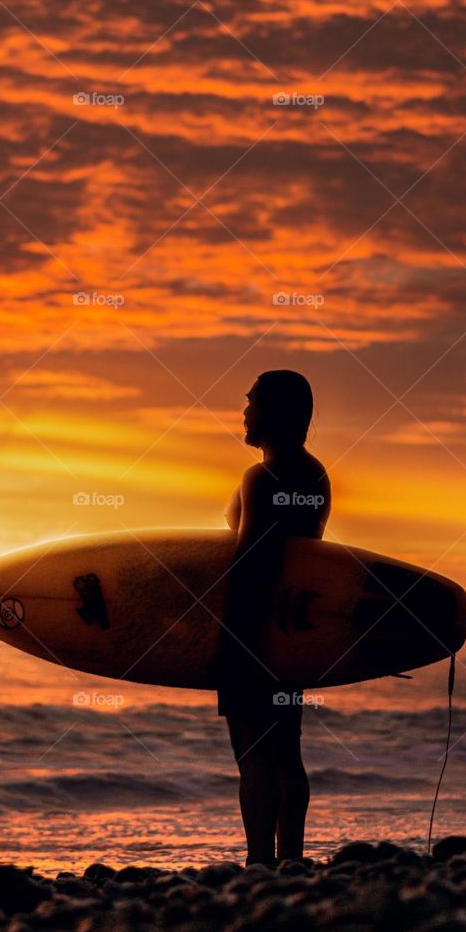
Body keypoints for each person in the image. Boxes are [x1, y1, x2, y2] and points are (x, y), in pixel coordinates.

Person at [211, 370, 330, 865]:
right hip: (292, 633)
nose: (244, 412)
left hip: (254, 631)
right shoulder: (315, 475)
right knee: (286, 748)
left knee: (252, 751)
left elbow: (250, 562)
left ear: (274, 412)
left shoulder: (261, 478)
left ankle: (259, 861)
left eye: (252, 401)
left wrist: (226, 641)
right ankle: (291, 858)